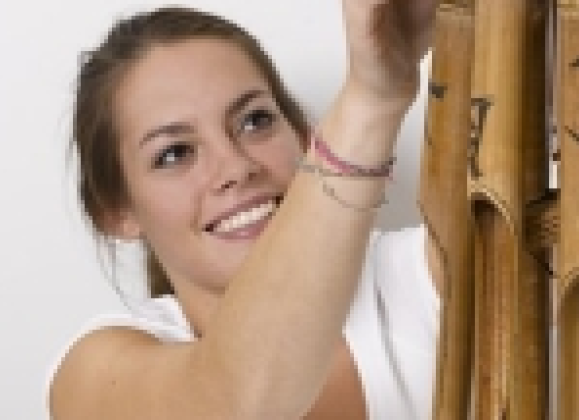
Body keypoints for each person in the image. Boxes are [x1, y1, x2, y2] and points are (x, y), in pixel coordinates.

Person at [48, 2, 443, 419]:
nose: (236, 167)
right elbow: (235, 403)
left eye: (255, 121)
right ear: (117, 211)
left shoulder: (424, 273)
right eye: (175, 153)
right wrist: (372, 100)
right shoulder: (91, 377)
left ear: (305, 137)